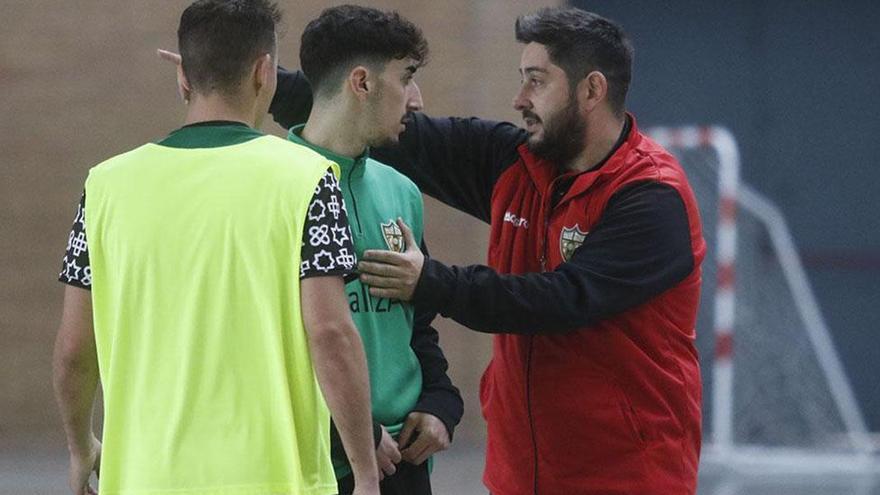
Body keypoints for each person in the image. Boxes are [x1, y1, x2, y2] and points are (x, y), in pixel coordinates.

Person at [270, 6, 706, 495]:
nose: (519, 99)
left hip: (627, 476)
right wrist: (240, 81)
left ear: (592, 90)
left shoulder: (652, 197)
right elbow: (360, 111)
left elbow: (562, 300)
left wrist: (431, 281)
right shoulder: (514, 163)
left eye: (536, 82)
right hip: (521, 476)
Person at [52, 1, 379, 494]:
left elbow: (75, 349)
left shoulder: (103, 188)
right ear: (264, 72)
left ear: (183, 77)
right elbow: (332, 334)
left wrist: (82, 447)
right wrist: (367, 472)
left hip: (146, 481)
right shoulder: (309, 181)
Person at [160, 6, 462, 495]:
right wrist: (354, 437)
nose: (417, 99)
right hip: (315, 467)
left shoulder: (400, 190)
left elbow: (415, 324)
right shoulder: (265, 188)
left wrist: (440, 403)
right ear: (361, 83)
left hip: (404, 464)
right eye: (407, 78)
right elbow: (253, 343)